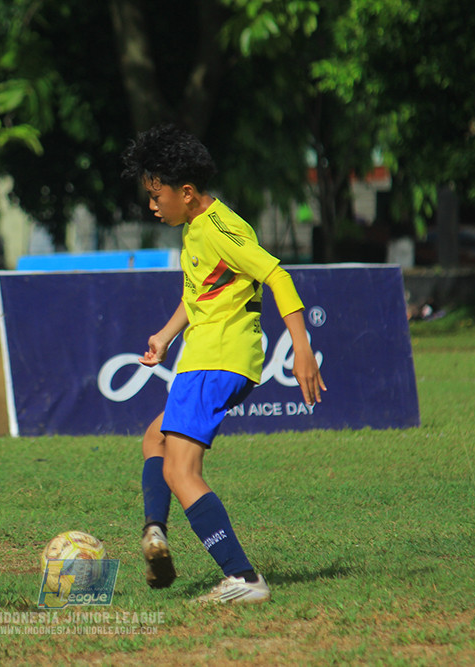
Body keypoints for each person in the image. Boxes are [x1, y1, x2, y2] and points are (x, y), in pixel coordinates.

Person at [121, 125, 326, 603]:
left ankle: (243, 578)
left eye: (158, 195)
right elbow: (199, 296)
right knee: (155, 437)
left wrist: (302, 348)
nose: (152, 205)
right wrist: (165, 336)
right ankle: (155, 532)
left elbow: (276, 273)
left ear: (187, 193)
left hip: (216, 360)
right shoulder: (200, 229)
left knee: (181, 471)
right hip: (208, 357)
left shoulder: (216, 230)